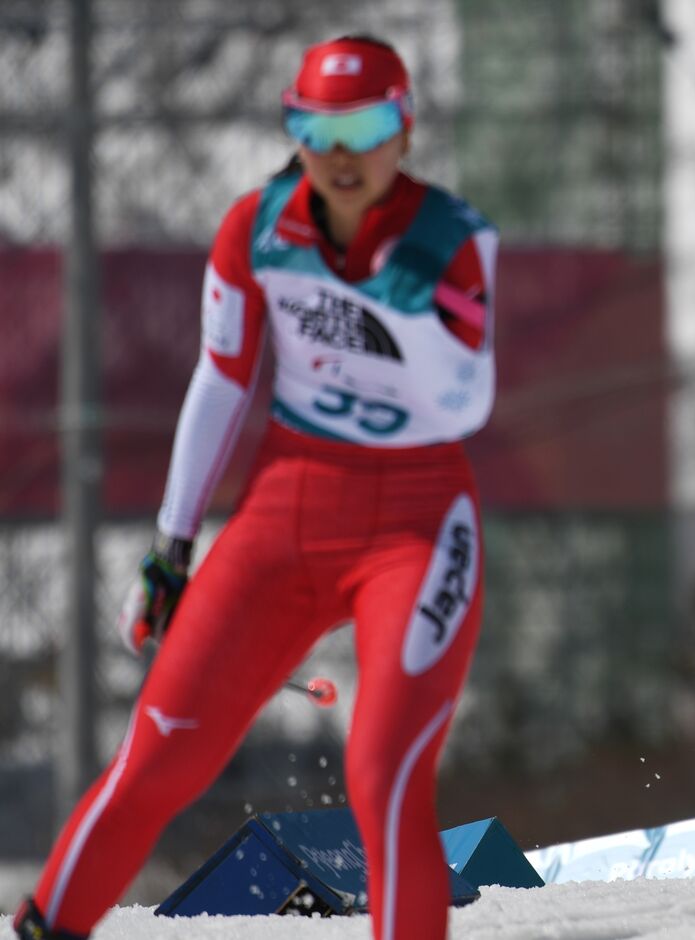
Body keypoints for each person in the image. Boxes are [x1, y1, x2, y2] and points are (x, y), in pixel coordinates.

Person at [14, 35, 497, 940]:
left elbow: (465, 404)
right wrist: (171, 548)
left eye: (367, 129)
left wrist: (410, 316)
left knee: (384, 774)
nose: (343, 155)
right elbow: (222, 379)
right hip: (289, 514)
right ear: (294, 132)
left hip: (417, 525)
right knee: (158, 758)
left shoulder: (453, 239)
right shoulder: (258, 228)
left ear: (404, 130)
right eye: (319, 130)